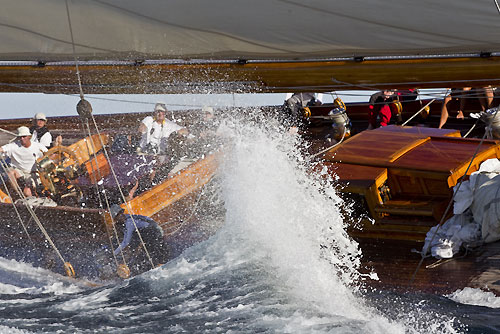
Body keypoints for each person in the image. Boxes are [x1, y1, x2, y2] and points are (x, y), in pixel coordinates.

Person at [0, 126, 47, 197]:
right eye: (20, 137)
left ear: (29, 137)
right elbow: (2, 149)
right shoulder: (13, 146)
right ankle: (18, 194)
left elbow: (49, 155)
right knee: (10, 173)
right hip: (20, 172)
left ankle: (32, 200)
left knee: (27, 192)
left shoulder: (38, 146)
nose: (22, 139)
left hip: (34, 174)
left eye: (24, 136)